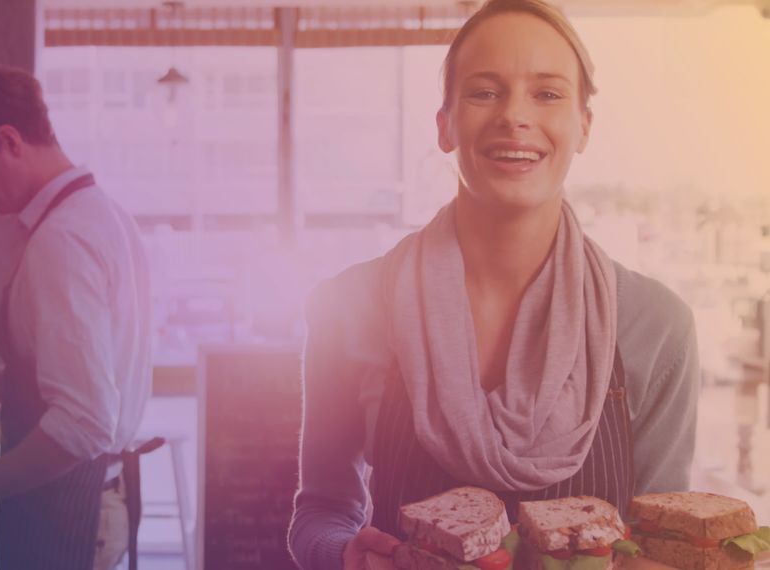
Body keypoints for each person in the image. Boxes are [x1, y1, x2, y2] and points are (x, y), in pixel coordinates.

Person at [287, 2, 700, 569]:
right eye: (484, 92)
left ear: (584, 126)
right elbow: (321, 513)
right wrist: (347, 555)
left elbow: (664, 540)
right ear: (445, 124)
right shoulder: (351, 305)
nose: (514, 116)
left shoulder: (656, 325)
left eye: (548, 94)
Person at [0, 63, 152, 570]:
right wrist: (14, 379)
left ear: (10, 140)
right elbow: (103, 370)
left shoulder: (62, 240)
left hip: (70, 505)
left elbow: (86, 423)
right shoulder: (106, 214)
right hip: (104, 496)